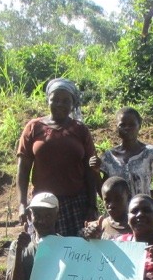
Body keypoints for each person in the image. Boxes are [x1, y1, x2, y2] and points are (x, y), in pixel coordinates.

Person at [16, 78, 98, 237]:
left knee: (77, 249)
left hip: (76, 204)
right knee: (44, 249)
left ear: (73, 104)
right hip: (43, 206)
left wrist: (92, 206)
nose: (60, 104)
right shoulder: (33, 127)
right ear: (48, 100)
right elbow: (23, 169)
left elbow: (90, 171)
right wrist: (22, 204)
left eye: (66, 101)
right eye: (55, 99)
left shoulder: (80, 130)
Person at [91, 107, 153, 200]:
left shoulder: (151, 153)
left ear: (139, 126)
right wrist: (96, 172)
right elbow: (104, 194)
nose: (127, 128)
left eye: (132, 125)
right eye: (122, 125)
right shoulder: (109, 157)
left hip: (143, 210)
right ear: (117, 127)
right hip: (118, 212)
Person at [81, 176, 132, 242]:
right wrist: (92, 238)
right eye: (107, 200)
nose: (111, 205)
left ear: (128, 197)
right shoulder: (99, 227)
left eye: (117, 199)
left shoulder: (136, 226)